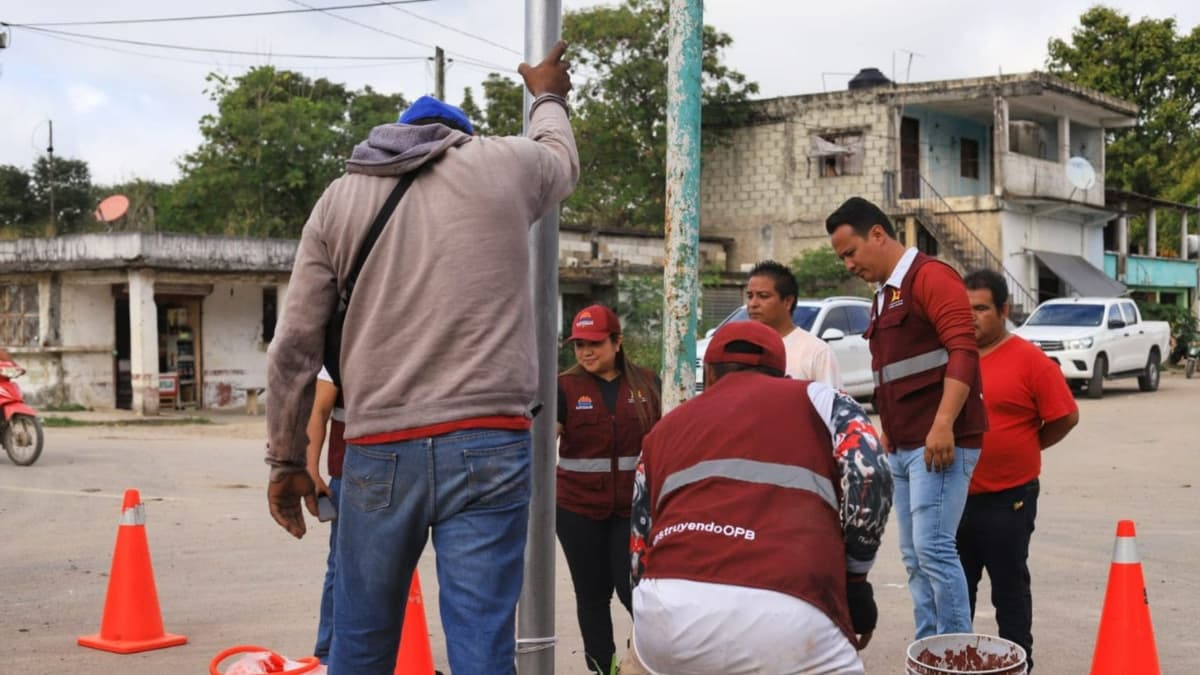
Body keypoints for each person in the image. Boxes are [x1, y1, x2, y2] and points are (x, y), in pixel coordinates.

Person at [264, 42, 578, 675]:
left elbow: (293, 346)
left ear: (393, 138)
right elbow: (560, 157)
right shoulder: (502, 164)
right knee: (483, 648)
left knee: (360, 643)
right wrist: (547, 94)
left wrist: (286, 460)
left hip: (379, 446)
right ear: (461, 139)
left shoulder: (338, 200)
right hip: (489, 441)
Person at [630, 320, 892, 674]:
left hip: (666, 615)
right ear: (782, 372)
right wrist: (855, 578)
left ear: (709, 373)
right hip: (789, 611)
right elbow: (871, 472)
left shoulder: (665, 429)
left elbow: (639, 543)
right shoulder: (820, 399)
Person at [825, 196, 987, 638]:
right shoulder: (885, 296)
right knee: (915, 558)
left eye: (851, 252)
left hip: (940, 442)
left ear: (877, 234)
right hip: (903, 445)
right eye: (842, 258)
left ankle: (955, 652)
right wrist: (889, 435)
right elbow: (892, 376)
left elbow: (963, 350)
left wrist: (943, 424)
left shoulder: (930, 277)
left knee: (934, 550)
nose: (849, 265)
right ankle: (928, 646)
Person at [958, 269, 1079, 671]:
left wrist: (1028, 445)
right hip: (954, 497)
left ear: (1003, 310)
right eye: (964, 308)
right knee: (956, 591)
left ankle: (1018, 663)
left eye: (980, 308)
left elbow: (1065, 416)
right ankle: (955, 660)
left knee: (1009, 587)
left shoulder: (1030, 361)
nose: (971, 317)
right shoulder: (952, 359)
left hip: (1008, 498)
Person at [556, 304, 661, 675]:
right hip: (576, 509)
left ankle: (645, 663)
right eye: (579, 345)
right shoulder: (563, 388)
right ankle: (603, 668)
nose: (585, 352)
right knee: (592, 594)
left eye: (595, 344)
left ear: (617, 342)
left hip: (633, 511)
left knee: (635, 592)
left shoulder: (648, 384)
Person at [746, 260, 841, 387]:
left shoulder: (817, 352)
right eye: (750, 296)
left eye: (763, 296)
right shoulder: (741, 348)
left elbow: (831, 399)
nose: (752, 304)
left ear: (787, 301)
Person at [305, 367, 345, 664]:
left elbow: (319, 409)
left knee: (344, 566)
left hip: (358, 473)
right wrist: (310, 469)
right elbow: (319, 409)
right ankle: (329, 656)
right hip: (353, 472)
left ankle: (330, 655)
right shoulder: (343, 344)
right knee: (344, 565)